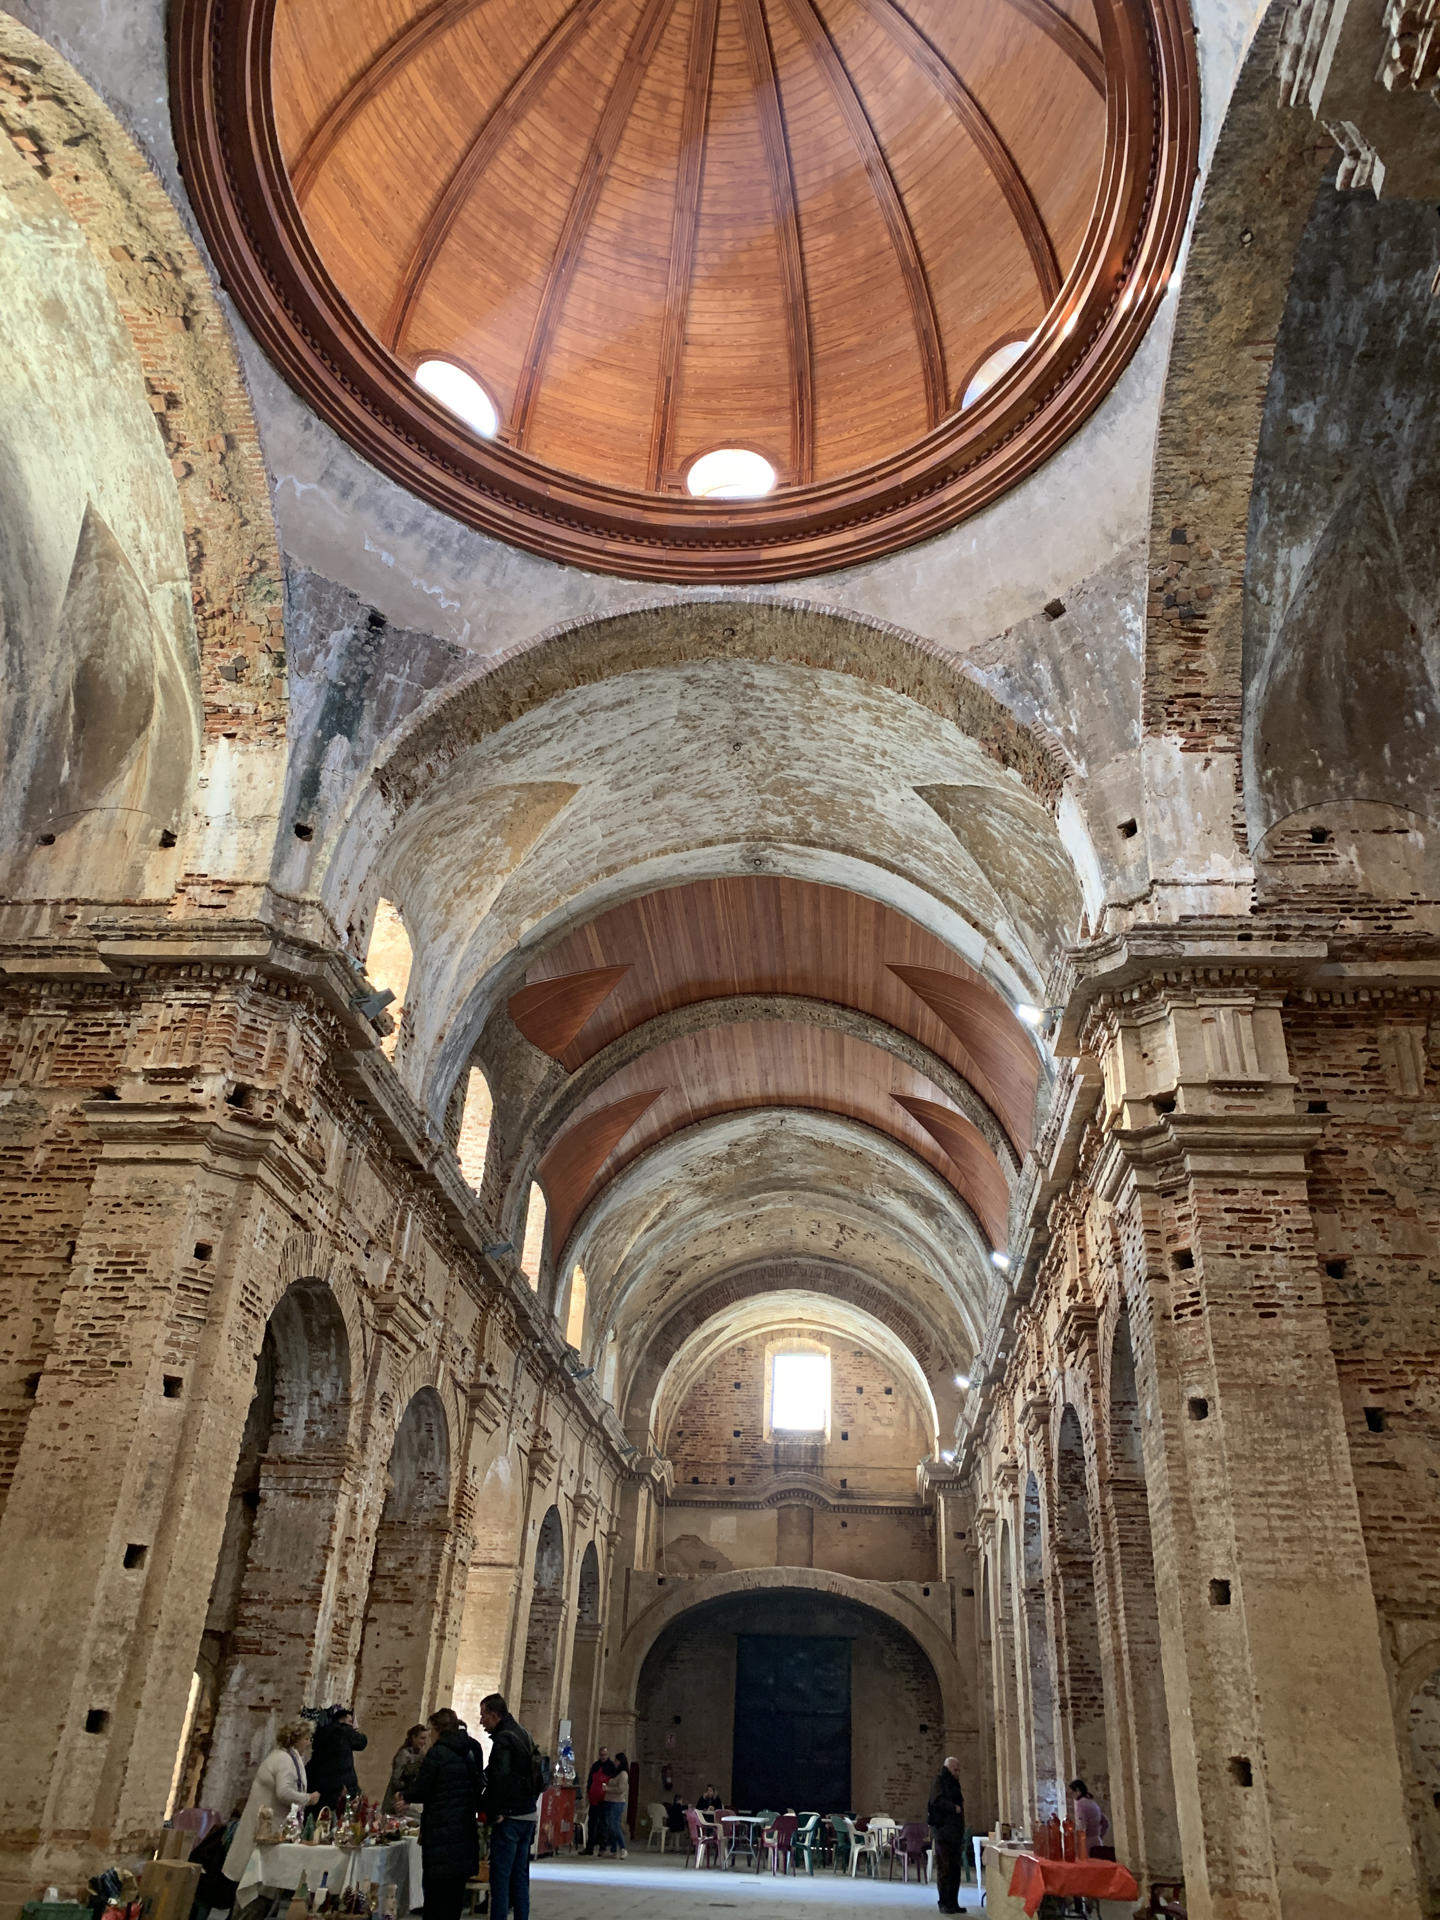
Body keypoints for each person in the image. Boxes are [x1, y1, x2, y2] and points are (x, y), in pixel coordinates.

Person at [222, 1722, 319, 1896]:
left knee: (258, 1884)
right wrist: (308, 1798)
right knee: (256, 1885)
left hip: (269, 1824)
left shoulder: (285, 1756)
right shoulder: (284, 1760)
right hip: (266, 1827)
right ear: (295, 1739)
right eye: (306, 1738)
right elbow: (283, 1792)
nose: (308, 1742)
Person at [406, 1708, 483, 1920]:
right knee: (454, 1895)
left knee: (435, 1894)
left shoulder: (438, 1753)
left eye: (431, 1730)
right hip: (463, 1831)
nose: (429, 1735)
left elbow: (422, 1788)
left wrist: (405, 1796)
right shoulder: (469, 1751)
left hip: (440, 1831)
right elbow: (478, 1788)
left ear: (438, 1730)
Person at [479, 1693, 540, 1920]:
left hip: (510, 1818)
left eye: (484, 1715)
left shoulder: (504, 1739)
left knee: (501, 1880)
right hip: (528, 1815)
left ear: (495, 1715)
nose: (481, 1721)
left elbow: (500, 1780)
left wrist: (494, 1812)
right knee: (520, 1877)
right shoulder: (523, 1733)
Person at [306, 1705, 368, 1812]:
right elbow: (362, 1742)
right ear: (343, 1719)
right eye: (350, 1720)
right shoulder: (345, 1731)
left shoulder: (321, 1731)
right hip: (340, 1786)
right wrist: (352, 1729)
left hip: (319, 1783)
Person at [927, 1754, 966, 1917]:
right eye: (955, 1770)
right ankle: (943, 1902)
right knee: (945, 1869)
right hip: (943, 1833)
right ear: (948, 1769)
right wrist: (953, 1808)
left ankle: (953, 1902)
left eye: (958, 1770)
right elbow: (936, 1801)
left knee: (955, 1870)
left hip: (955, 1834)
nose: (958, 1773)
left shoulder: (953, 1783)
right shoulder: (940, 1781)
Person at [384, 1725, 429, 1814]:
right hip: (397, 1799)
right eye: (422, 1738)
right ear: (413, 1738)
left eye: (425, 1739)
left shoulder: (423, 1755)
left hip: (408, 1800)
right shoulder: (404, 1754)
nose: (424, 1742)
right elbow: (396, 1779)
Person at [1069, 1780, 1113, 1858]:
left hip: (1086, 1843)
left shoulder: (1080, 1804)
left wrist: (1075, 1842)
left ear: (1078, 1791)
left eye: (1072, 1792)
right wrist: (1099, 1836)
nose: (1071, 1796)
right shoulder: (1093, 1803)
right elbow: (1106, 1823)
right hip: (1097, 1842)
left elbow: (1081, 1827)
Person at [599, 1751, 629, 1858]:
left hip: (617, 1802)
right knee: (611, 1826)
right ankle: (613, 1850)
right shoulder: (616, 1773)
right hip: (610, 1801)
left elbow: (621, 1789)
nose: (615, 1762)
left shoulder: (623, 1774)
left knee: (615, 1825)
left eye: (616, 1760)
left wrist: (608, 1788)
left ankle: (623, 1848)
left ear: (620, 1762)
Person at [582, 1748, 610, 1854]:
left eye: (605, 1755)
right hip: (594, 1799)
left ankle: (603, 1847)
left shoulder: (610, 1767)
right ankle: (590, 1847)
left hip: (604, 1800)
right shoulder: (595, 1766)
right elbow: (590, 1780)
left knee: (603, 1824)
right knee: (592, 1823)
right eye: (601, 1755)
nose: (603, 1756)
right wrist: (589, 1792)